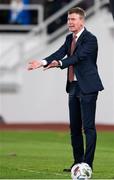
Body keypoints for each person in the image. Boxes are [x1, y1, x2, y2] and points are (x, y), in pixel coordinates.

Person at [27, 7, 104, 174]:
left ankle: (87, 165)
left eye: (73, 19)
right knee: (74, 128)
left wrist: (60, 64)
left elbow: (78, 57)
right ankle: (78, 163)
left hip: (88, 87)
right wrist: (42, 62)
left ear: (82, 21)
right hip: (73, 86)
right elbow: (60, 52)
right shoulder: (69, 38)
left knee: (88, 128)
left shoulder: (91, 39)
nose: (70, 22)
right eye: (69, 19)